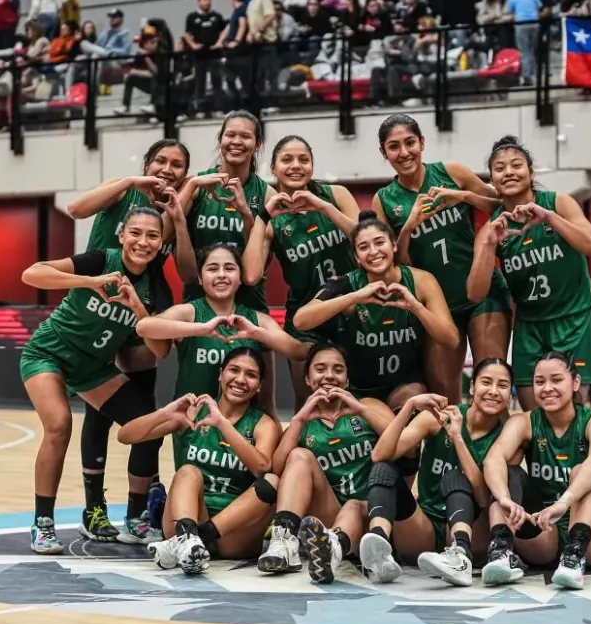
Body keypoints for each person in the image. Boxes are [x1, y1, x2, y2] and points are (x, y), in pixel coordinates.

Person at [19, 208, 169, 554]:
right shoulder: (101, 260)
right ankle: (43, 523)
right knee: (59, 425)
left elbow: (161, 351)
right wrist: (90, 282)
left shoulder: (154, 287)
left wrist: (138, 309)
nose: (142, 241)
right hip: (48, 354)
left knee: (150, 427)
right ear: (121, 235)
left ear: (162, 243)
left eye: (152, 235)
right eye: (135, 233)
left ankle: (135, 518)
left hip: (93, 368)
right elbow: (32, 273)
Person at [64, 138, 191, 544]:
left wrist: (180, 209)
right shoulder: (121, 192)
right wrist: (135, 179)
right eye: (160, 161)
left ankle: (138, 509)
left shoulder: (168, 213)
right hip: (99, 304)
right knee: (98, 417)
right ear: (147, 162)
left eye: (177, 165)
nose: (167, 169)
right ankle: (94, 509)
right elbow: (75, 209)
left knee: (145, 407)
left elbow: (180, 263)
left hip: (137, 304)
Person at [373, 113, 512, 403]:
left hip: (481, 291)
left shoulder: (452, 172)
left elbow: (501, 204)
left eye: (410, 142)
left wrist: (463, 196)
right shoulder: (384, 199)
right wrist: (409, 226)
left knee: (491, 384)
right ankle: (452, 448)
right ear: (384, 153)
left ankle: (496, 449)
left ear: (422, 142)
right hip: (435, 303)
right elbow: (391, 263)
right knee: (444, 397)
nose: (404, 152)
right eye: (394, 146)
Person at [468, 135, 591, 409]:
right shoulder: (493, 228)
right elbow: (475, 292)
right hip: (530, 326)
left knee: (575, 408)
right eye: (500, 168)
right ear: (493, 181)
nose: (508, 172)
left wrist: (550, 218)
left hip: (574, 319)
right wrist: (487, 244)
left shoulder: (559, 203)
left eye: (516, 165)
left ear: (530, 174)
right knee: (534, 414)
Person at [118, 348, 281, 574]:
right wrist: (165, 413)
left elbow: (261, 467)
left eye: (251, 375)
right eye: (234, 370)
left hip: (232, 534)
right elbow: (125, 436)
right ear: (220, 374)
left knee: (272, 481)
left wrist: (222, 423)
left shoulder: (263, 424)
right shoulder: (193, 412)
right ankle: (187, 536)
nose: (241, 379)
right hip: (190, 514)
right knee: (187, 471)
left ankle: (192, 540)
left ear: (260, 385)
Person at [358, 359, 513, 586]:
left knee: (455, 478)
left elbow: (482, 496)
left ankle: (460, 557)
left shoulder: (508, 435)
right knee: (383, 470)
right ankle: (379, 553)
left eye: (502, 385)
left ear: (510, 393)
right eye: (486, 382)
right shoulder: (437, 416)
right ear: (472, 387)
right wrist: (410, 406)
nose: (493, 391)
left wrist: (458, 438)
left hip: (473, 530)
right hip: (423, 527)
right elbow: (379, 455)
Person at [481, 351, 591, 590]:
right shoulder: (523, 422)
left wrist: (564, 503)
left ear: (575, 382)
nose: (547, 388)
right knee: (504, 474)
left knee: (582, 471)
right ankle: (501, 552)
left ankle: (575, 556)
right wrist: (505, 499)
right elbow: (493, 459)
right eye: (540, 382)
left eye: (556, 380)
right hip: (545, 529)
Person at [257, 342, 394, 583]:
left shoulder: (369, 406)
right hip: (327, 513)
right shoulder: (303, 423)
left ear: (347, 380)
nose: (329, 375)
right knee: (300, 457)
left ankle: (333, 549)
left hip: (370, 512)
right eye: (320, 369)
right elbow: (275, 472)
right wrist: (298, 419)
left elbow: (402, 443)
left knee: (354, 504)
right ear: (308, 380)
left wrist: (360, 410)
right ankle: (285, 540)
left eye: (338, 370)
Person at [243, 134, 361, 409]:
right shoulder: (273, 220)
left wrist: (324, 207)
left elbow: (368, 241)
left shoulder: (337, 195)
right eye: (287, 160)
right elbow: (250, 276)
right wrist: (262, 216)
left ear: (312, 166)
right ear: (273, 169)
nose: (296, 165)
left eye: (303, 159)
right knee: (308, 403)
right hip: (305, 321)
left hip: (352, 313)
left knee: (356, 401)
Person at [294, 217, 459, 410]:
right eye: (363, 247)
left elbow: (451, 340)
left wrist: (416, 307)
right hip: (359, 388)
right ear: (357, 257)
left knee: (415, 404)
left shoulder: (421, 281)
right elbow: (300, 321)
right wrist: (353, 298)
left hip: (404, 384)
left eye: (380, 242)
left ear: (394, 245)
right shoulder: (346, 284)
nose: (373, 252)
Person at [174, 110, 278, 414]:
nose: (237, 141)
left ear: (257, 144)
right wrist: (190, 188)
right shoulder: (198, 185)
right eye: (230, 135)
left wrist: (247, 212)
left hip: (248, 300)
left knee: (256, 396)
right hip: (199, 301)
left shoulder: (265, 192)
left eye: (245, 136)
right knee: (196, 392)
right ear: (220, 140)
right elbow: (169, 225)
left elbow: (255, 268)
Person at [136, 243, 307, 421]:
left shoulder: (258, 320)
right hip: (192, 426)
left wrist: (257, 333)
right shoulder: (188, 313)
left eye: (229, 268)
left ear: (240, 277)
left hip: (242, 426)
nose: (221, 275)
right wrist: (202, 329)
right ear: (200, 278)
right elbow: (144, 327)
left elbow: (298, 352)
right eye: (212, 268)